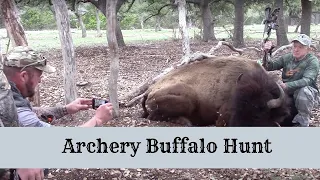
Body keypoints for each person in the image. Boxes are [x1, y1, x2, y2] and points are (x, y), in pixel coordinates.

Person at [2, 46, 114, 180]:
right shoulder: (17, 113)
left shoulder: (7, 96)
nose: (40, 80)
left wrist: (65, 109)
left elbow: (30, 113)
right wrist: (98, 120)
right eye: (39, 75)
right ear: (24, 76)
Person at [262, 33, 320, 127]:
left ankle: (302, 122)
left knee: (303, 91)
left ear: (308, 49)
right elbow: (269, 66)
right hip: (288, 93)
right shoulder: (288, 57)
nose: (296, 49)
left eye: (300, 47)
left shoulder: (312, 61)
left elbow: (307, 81)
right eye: (295, 46)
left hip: (308, 94)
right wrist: (266, 53)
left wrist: (286, 85)